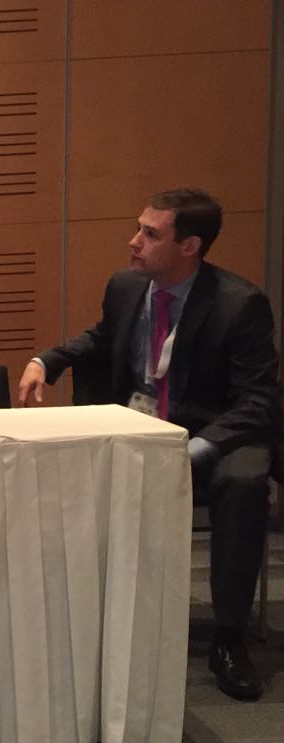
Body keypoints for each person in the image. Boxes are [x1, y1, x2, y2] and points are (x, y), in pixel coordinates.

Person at [17, 188, 280, 701]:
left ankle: (229, 638)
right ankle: (77, 620)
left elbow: (258, 401)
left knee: (245, 482)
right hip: (137, 428)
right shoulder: (127, 286)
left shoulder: (240, 304)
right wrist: (46, 360)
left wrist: (194, 449)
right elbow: (102, 337)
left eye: (150, 234)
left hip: (210, 439)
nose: (133, 241)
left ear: (190, 246)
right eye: (139, 228)